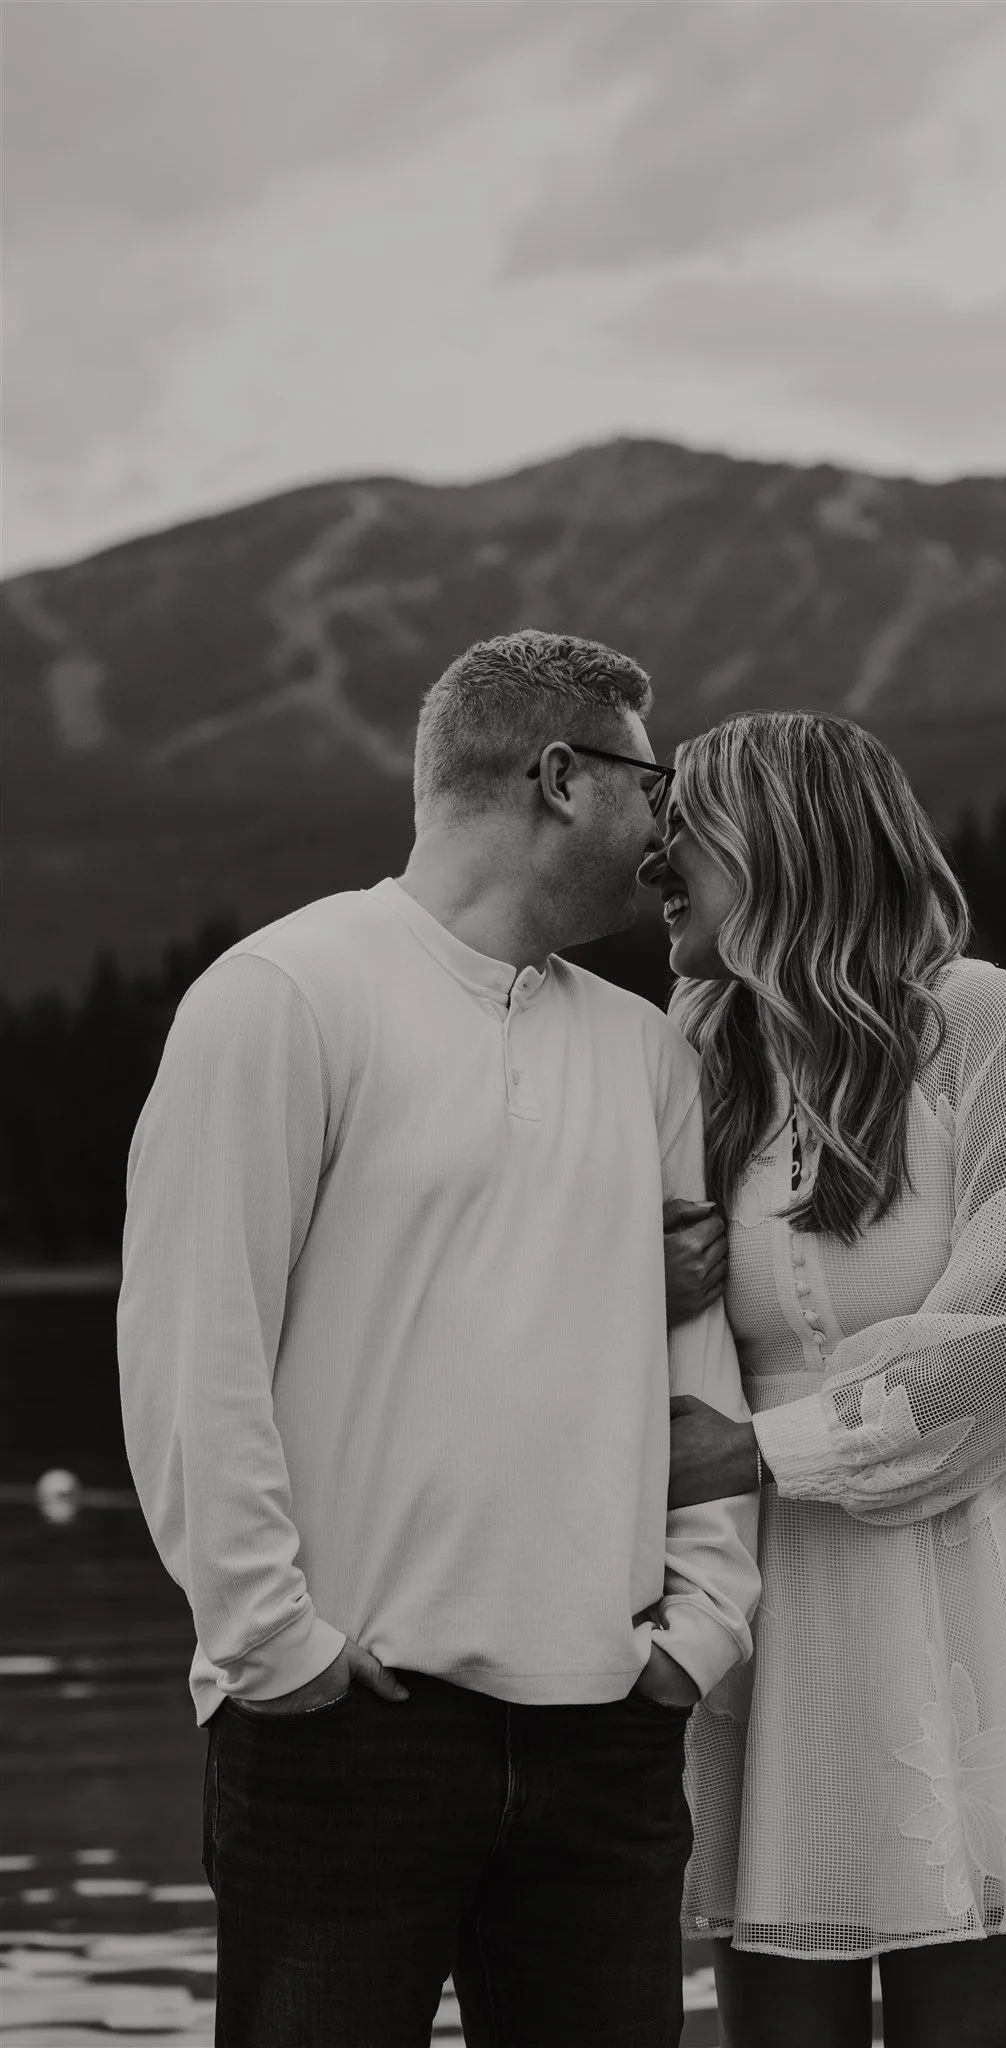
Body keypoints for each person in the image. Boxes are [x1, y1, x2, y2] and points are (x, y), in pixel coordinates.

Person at [117, 630, 762, 2048]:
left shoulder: (645, 1047)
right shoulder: (282, 997)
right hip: (341, 1730)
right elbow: (192, 1353)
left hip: (607, 1728)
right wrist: (276, 1647)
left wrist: (702, 1627)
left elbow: (693, 1356)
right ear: (559, 777)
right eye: (653, 787)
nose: (669, 838)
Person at [642, 711, 1006, 2048]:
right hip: (764, 1607)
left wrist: (757, 1447)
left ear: (783, 846)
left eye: (689, 829)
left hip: (958, 1600)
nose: (655, 856)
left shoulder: (980, 1023)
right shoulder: (695, 1050)